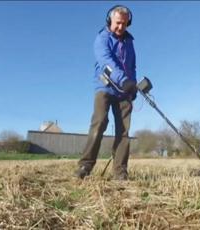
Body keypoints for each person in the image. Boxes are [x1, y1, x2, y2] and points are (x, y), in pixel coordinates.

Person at [75, 5, 137, 180]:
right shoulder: (102, 39)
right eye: (118, 23)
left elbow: (132, 67)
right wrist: (123, 80)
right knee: (99, 122)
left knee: (124, 131)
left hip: (124, 92)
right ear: (110, 20)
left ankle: (120, 172)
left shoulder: (130, 42)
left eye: (124, 24)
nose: (120, 27)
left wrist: (132, 87)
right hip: (105, 87)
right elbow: (106, 63)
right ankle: (85, 166)